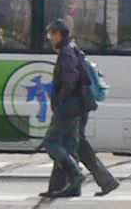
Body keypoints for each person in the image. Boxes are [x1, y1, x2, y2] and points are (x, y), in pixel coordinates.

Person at [42, 19, 118, 198]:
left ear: (58, 33)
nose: (50, 38)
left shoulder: (67, 52)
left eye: (51, 34)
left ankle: (78, 180)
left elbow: (71, 78)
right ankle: (68, 186)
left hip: (71, 106)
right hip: (78, 105)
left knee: (57, 143)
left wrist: (61, 99)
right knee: (71, 145)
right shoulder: (72, 48)